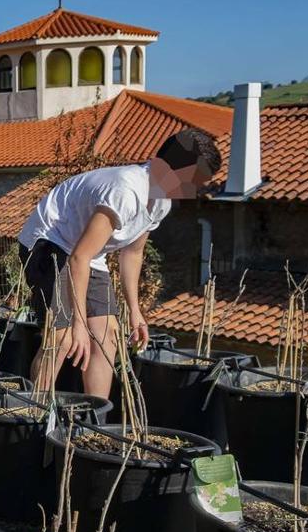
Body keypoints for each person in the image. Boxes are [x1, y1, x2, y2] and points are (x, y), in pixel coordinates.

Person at [16, 128, 221, 398]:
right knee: (63, 337)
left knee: (107, 335)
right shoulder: (125, 190)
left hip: (89, 253)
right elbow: (78, 258)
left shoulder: (161, 203)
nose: (196, 190)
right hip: (49, 240)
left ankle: (94, 418)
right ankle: (37, 412)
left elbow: (132, 253)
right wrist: (79, 322)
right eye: (194, 182)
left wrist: (135, 311)